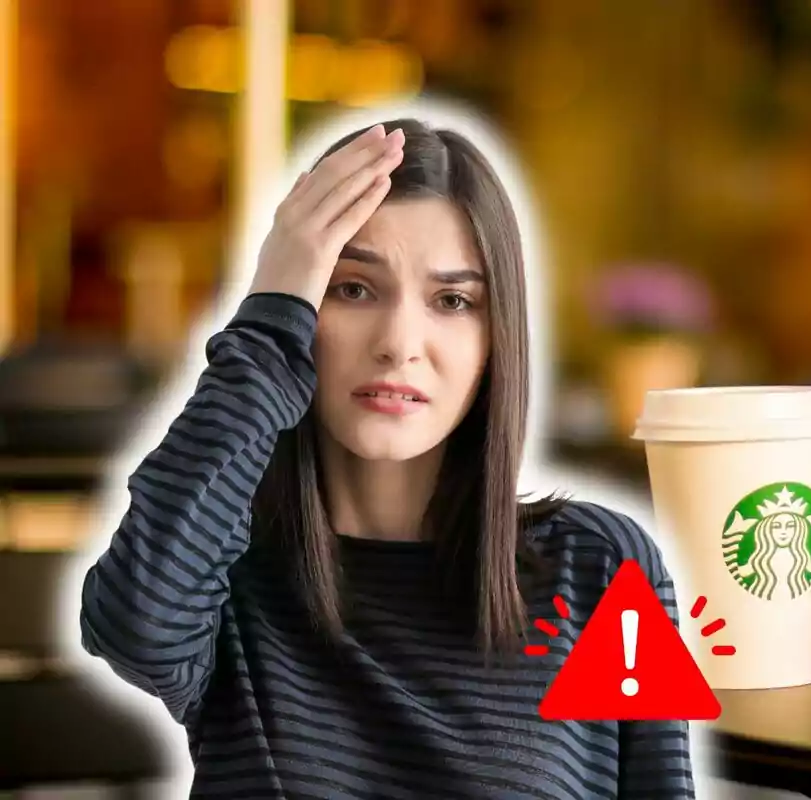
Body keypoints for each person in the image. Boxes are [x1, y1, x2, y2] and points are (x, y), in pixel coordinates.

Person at [79, 119, 695, 799]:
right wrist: (267, 315)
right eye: (352, 289)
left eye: (453, 301)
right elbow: (133, 625)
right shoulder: (229, 577)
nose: (400, 342)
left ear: (496, 344)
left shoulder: (599, 567)